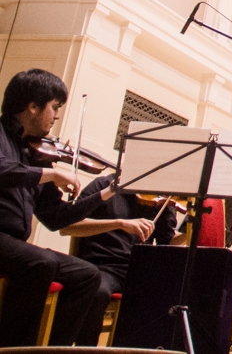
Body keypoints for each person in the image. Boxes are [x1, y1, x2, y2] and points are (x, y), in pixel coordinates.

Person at [0, 68, 112, 347]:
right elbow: (3, 170)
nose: (57, 116)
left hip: (13, 244)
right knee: (41, 262)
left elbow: (54, 217)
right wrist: (51, 174)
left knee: (87, 275)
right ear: (33, 106)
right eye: (55, 107)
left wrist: (104, 195)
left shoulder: (35, 153)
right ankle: (13, 347)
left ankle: (52, 348)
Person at [61, 175, 180, 297]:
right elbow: (67, 226)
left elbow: (167, 241)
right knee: (98, 290)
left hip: (139, 270)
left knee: (174, 294)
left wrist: (189, 232)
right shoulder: (103, 185)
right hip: (102, 266)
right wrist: (119, 224)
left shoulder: (161, 199)